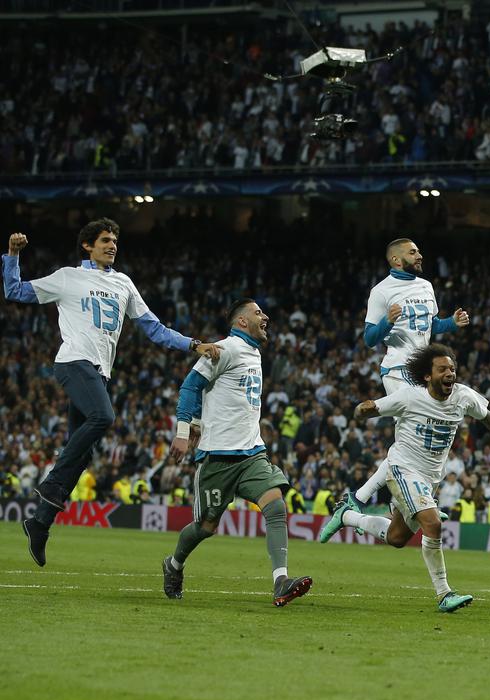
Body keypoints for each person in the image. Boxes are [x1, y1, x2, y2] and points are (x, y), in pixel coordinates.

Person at [4, 222, 221, 566]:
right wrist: (13, 255)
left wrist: (193, 344)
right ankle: (51, 483)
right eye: (105, 240)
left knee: (84, 451)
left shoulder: (124, 284)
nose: (112, 245)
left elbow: (155, 329)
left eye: (115, 240)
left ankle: (40, 522)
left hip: (99, 373)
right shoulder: (68, 277)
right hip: (74, 362)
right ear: (87, 246)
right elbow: (14, 291)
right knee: (102, 417)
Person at [319, 344, 490, 612]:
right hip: (402, 469)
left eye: (452, 368)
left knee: (396, 538)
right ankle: (444, 594)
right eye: (442, 369)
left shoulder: (463, 397)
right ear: (428, 376)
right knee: (432, 525)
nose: (449, 373)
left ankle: (347, 516)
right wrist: (362, 409)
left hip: (429, 478)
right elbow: (369, 410)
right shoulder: (410, 397)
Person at [161, 299, 311, 606]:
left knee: (276, 507)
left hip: (252, 454)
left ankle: (280, 581)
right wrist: (183, 431)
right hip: (217, 457)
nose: (265, 317)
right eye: (258, 313)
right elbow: (191, 387)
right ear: (242, 322)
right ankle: (173, 564)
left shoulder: (254, 353)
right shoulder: (224, 349)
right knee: (205, 527)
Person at [350, 237, 470, 508]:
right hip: (397, 368)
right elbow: (369, 338)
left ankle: (380, 499)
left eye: (419, 251)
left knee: (413, 438)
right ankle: (378, 498)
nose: (420, 256)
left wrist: (452, 322)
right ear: (396, 259)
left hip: (422, 369)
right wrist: (387, 322)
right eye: (413, 252)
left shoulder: (426, 286)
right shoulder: (381, 292)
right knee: (414, 433)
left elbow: (431, 325)